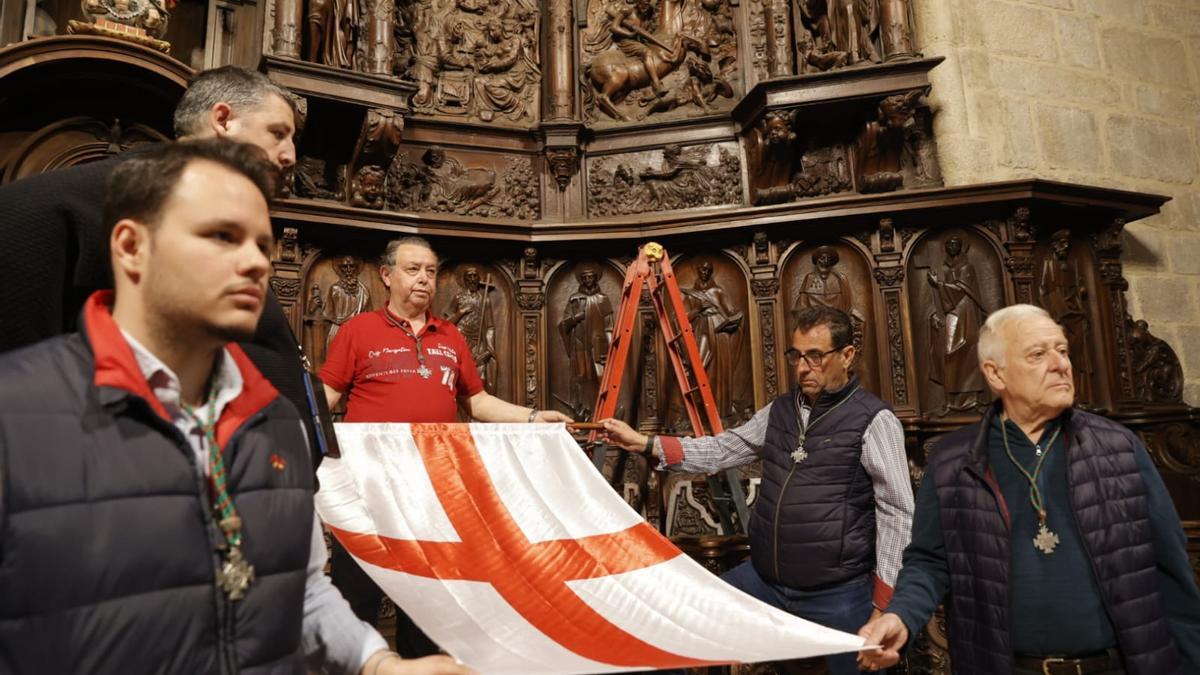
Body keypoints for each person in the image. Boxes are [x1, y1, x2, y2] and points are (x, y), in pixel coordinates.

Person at [0, 140, 469, 675]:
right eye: (222, 237)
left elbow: (299, 587)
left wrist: (377, 662)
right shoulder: (17, 413)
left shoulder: (276, 421)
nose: (253, 263)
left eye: (261, 246)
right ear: (131, 247)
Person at [0, 65, 334, 466]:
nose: (290, 156)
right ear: (223, 119)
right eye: (277, 133)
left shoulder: (240, 221)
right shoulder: (56, 209)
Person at [858, 304, 1200, 675]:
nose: (1060, 364)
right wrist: (901, 615)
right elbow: (929, 561)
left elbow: (1171, 569)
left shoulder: (1119, 446)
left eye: (1063, 350)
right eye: (1038, 354)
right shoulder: (954, 461)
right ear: (995, 374)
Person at [601, 305, 913, 675]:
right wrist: (645, 444)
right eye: (795, 355)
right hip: (765, 581)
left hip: (837, 592)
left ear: (847, 356)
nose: (801, 367)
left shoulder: (875, 420)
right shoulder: (780, 410)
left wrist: (884, 602)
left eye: (815, 356)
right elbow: (723, 449)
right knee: (686, 626)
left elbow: (897, 513)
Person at [319, 236, 571, 656]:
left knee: (429, 607)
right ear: (386, 275)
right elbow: (325, 398)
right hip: (367, 495)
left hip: (432, 496)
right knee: (355, 599)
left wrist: (532, 417)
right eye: (412, 269)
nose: (424, 279)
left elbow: (477, 402)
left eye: (431, 271)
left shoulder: (450, 336)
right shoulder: (357, 330)